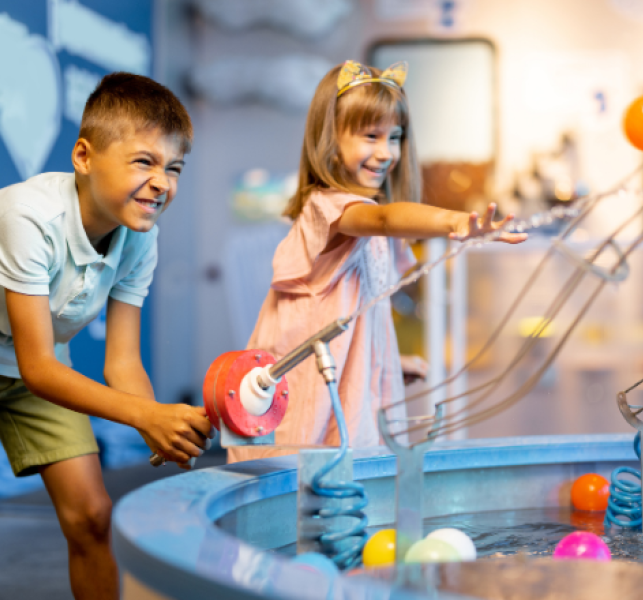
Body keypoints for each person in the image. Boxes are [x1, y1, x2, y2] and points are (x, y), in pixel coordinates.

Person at [227, 60, 526, 463]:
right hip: (306, 394)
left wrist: (383, 356)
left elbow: (353, 314)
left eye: (395, 137)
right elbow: (385, 219)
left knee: (349, 482)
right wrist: (456, 220)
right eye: (371, 136)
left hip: (344, 389)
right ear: (330, 138)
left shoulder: (369, 226)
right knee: (301, 476)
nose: (386, 152)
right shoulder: (330, 209)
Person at [0, 73, 213, 600]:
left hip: (34, 371)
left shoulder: (141, 238)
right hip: (38, 366)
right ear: (83, 156)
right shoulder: (27, 215)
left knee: (93, 516)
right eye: (144, 161)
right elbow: (40, 367)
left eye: (174, 167)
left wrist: (164, 430)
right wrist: (147, 416)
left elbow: (122, 363)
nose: (163, 182)